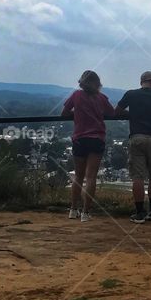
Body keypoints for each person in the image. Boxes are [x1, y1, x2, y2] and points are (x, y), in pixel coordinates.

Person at [115, 70, 151, 224]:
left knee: (138, 177)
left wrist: (133, 115)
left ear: (141, 82)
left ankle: (140, 212)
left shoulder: (131, 94)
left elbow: (117, 111)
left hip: (136, 138)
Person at [61, 70, 115, 222]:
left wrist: (77, 114)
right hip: (97, 138)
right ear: (97, 83)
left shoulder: (76, 96)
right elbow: (112, 113)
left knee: (78, 176)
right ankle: (85, 213)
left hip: (79, 138)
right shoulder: (102, 98)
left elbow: (64, 113)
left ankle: (73, 210)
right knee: (91, 177)